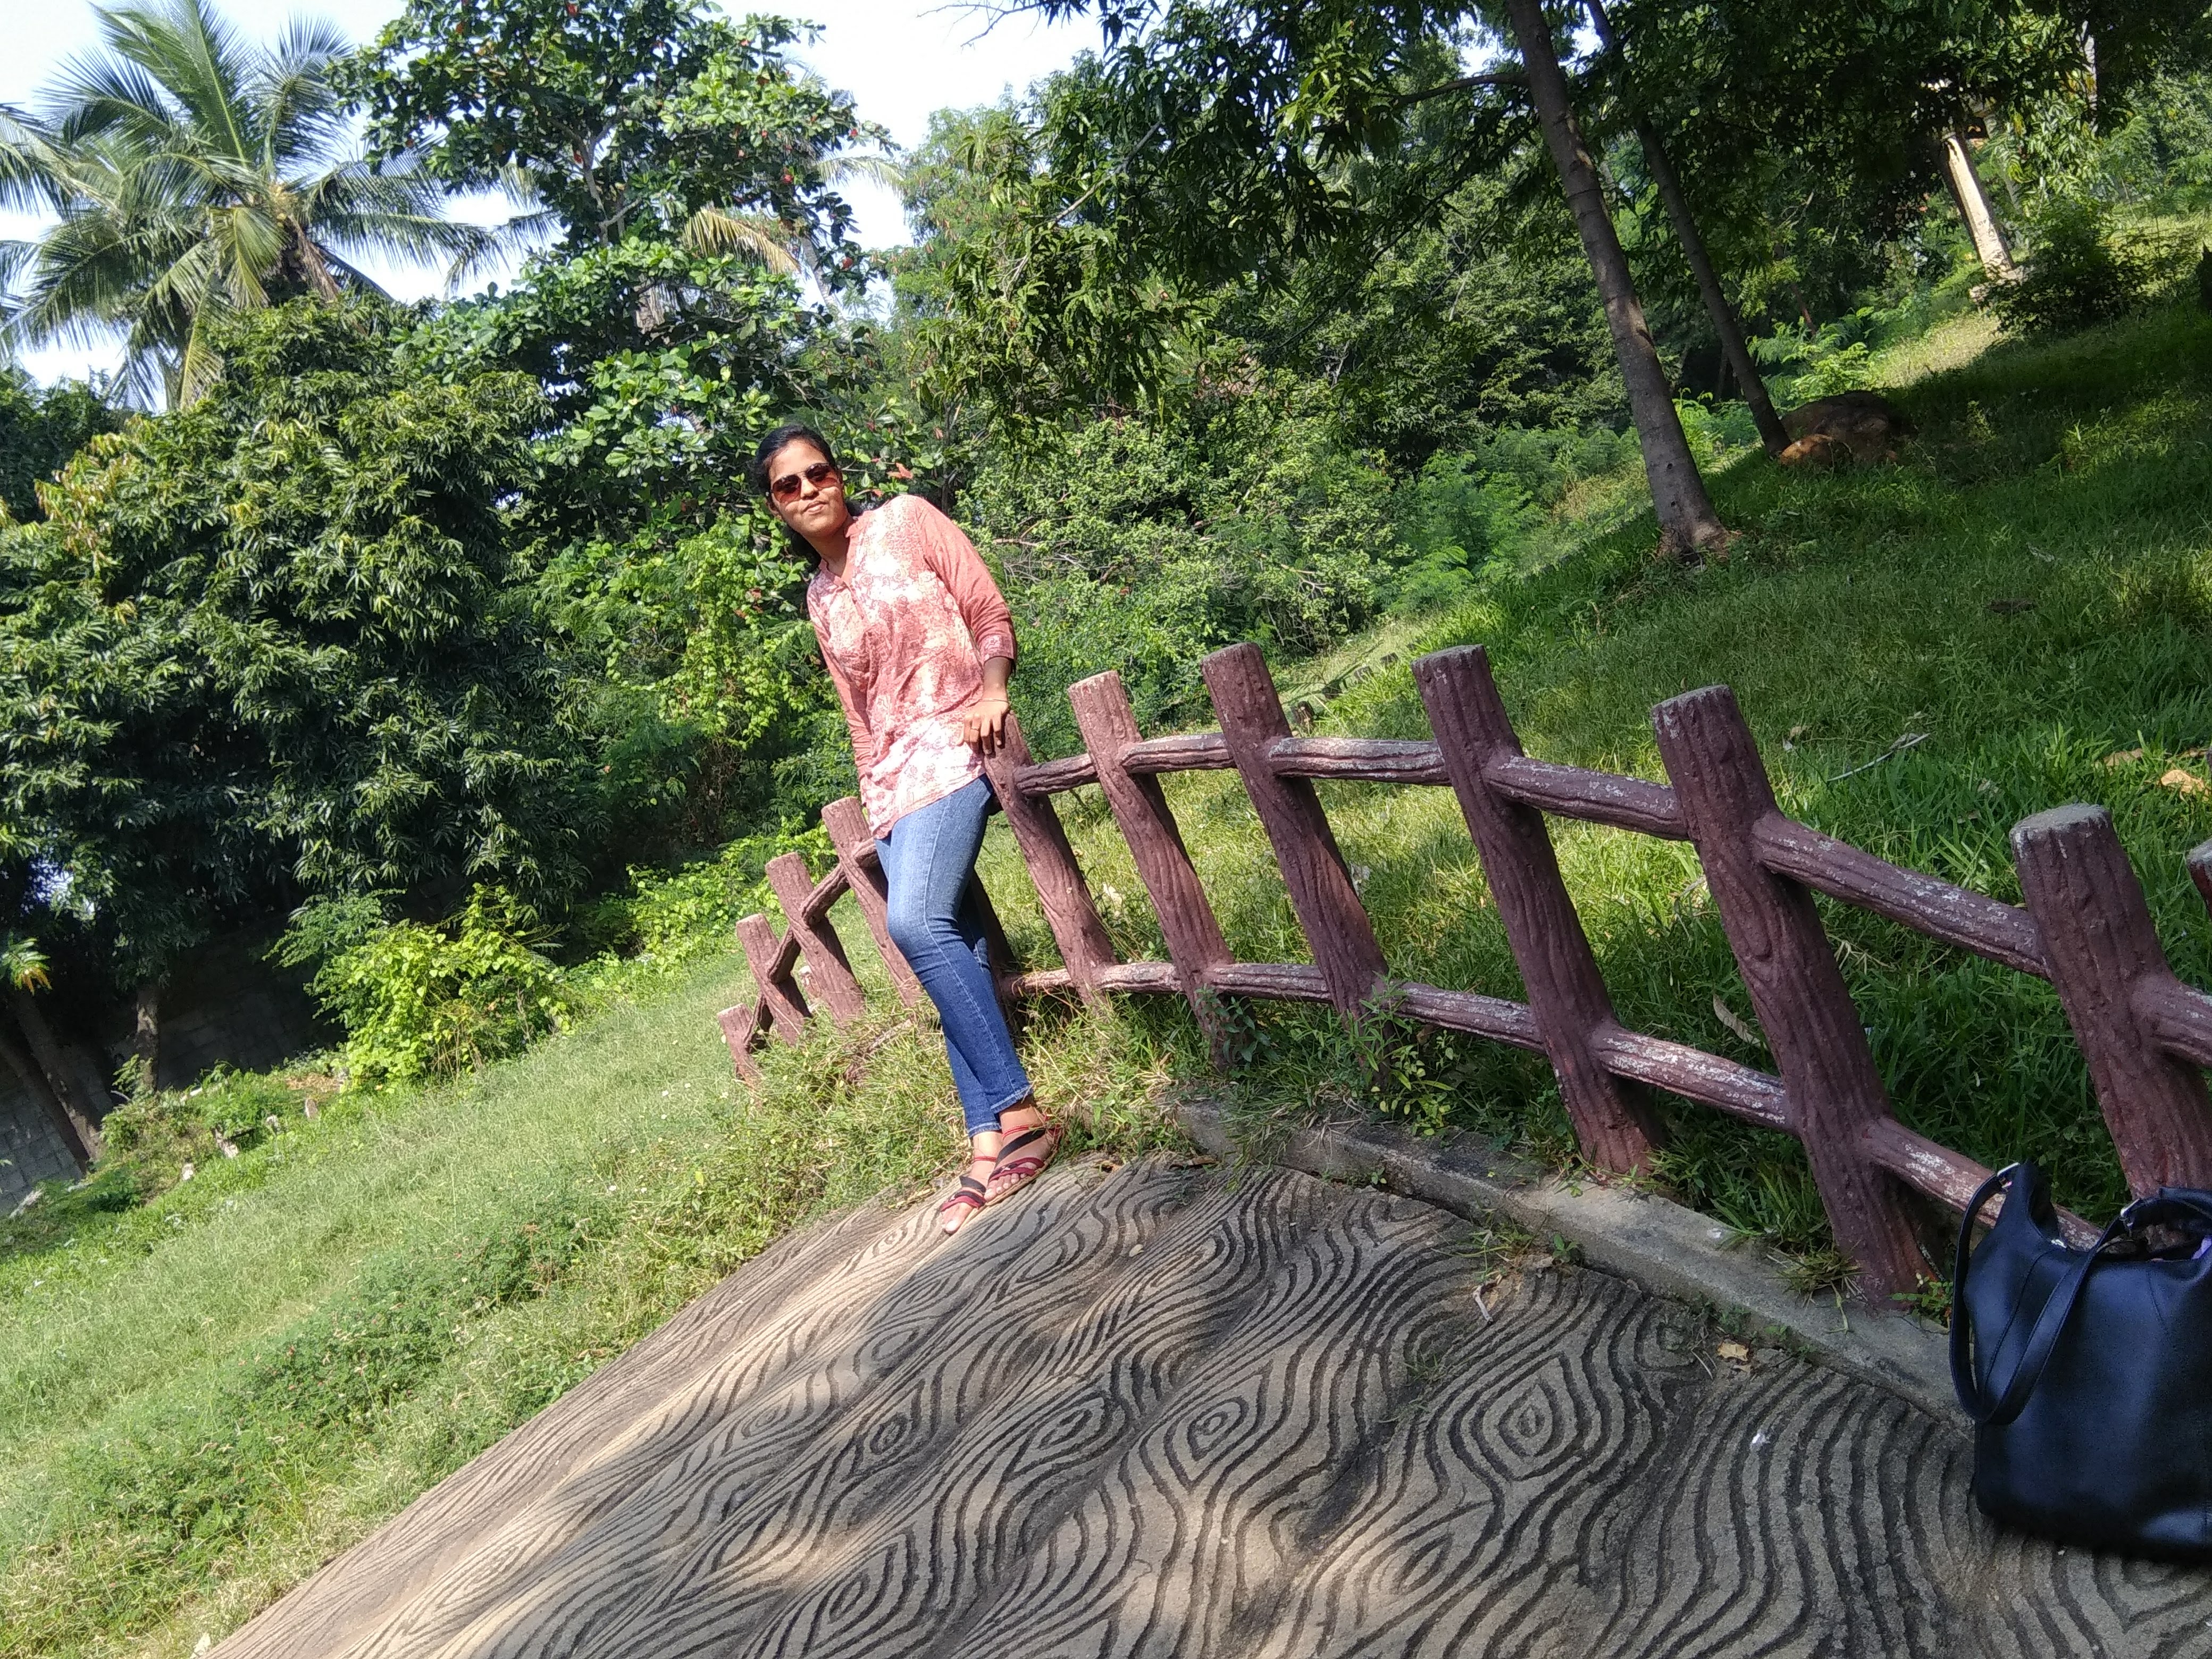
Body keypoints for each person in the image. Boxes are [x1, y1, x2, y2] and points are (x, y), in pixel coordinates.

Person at [750, 423, 1059, 1235]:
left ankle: (1022, 1115)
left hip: (960, 744)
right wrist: (874, 794)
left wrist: (994, 691)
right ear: (777, 507)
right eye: (789, 484)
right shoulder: (819, 596)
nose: (810, 489)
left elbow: (987, 610)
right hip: (893, 784)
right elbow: (858, 713)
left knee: (914, 923)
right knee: (953, 943)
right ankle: (985, 1140)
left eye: (819, 472)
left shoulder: (908, 520)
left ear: (839, 477)